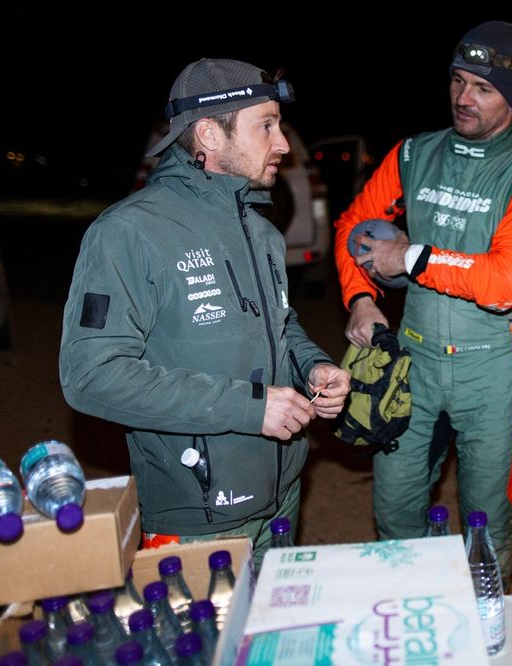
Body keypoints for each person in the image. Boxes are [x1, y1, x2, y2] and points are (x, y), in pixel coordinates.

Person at [59, 58, 350, 566]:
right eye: (266, 126)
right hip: (197, 517)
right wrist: (251, 408)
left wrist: (314, 367)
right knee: (210, 648)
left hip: (281, 496)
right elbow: (90, 375)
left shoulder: (260, 228)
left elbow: (280, 324)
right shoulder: (129, 231)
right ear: (210, 134)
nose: (283, 143)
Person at [333, 20, 512, 586]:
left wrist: (410, 258)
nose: (464, 98)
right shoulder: (416, 153)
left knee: (485, 518)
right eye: (458, 81)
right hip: (411, 361)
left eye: (484, 89)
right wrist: (362, 299)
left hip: (490, 368)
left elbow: (504, 281)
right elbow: (352, 226)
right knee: (395, 506)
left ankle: (480, 621)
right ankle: (414, 605)